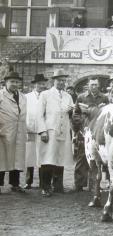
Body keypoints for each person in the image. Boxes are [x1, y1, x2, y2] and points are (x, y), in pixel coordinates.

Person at [37, 69, 74, 197]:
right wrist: (42, 131)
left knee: (61, 157)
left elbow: (71, 113)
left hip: (63, 131)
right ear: (54, 81)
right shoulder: (45, 94)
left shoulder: (68, 96)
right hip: (50, 130)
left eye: (63, 81)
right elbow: (39, 114)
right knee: (48, 158)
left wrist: (72, 111)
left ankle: (57, 186)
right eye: (59, 80)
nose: (61, 83)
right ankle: (45, 186)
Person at [72, 77, 109, 192]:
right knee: (82, 157)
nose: (94, 87)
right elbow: (75, 114)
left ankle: (93, 184)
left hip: (98, 132)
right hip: (85, 130)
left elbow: (107, 113)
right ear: (88, 85)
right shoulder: (81, 97)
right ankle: (79, 184)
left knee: (95, 159)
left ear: (99, 86)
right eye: (92, 85)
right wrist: (80, 125)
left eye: (96, 85)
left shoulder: (104, 97)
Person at [0, 71, 26, 193]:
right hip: (4, 131)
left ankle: (15, 184)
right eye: (12, 82)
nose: (15, 84)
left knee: (16, 158)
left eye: (16, 82)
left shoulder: (22, 96)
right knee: (1, 158)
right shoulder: (1, 95)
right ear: (6, 82)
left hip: (19, 131)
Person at [24, 74, 48, 190]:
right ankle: (28, 182)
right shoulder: (27, 97)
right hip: (30, 129)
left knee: (42, 156)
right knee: (30, 155)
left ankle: (43, 183)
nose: (41, 86)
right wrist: (26, 128)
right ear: (34, 84)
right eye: (39, 84)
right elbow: (24, 113)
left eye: (43, 84)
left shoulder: (47, 96)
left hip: (43, 130)